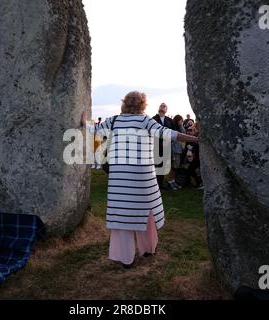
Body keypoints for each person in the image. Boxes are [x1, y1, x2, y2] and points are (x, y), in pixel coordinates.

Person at [81, 91, 198, 267]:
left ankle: (125, 258)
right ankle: (148, 249)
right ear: (143, 104)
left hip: (120, 177)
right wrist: (195, 139)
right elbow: (169, 134)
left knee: (122, 214)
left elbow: (93, 129)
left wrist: (84, 121)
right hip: (142, 175)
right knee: (145, 211)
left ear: (124, 103)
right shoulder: (145, 120)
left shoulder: (114, 120)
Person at [166, 115, 185, 191]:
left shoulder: (180, 128)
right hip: (173, 150)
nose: (181, 122)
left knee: (175, 168)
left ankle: (173, 181)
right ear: (177, 120)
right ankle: (170, 182)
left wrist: (181, 125)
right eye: (180, 120)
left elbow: (184, 133)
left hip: (178, 150)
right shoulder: (173, 128)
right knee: (172, 168)